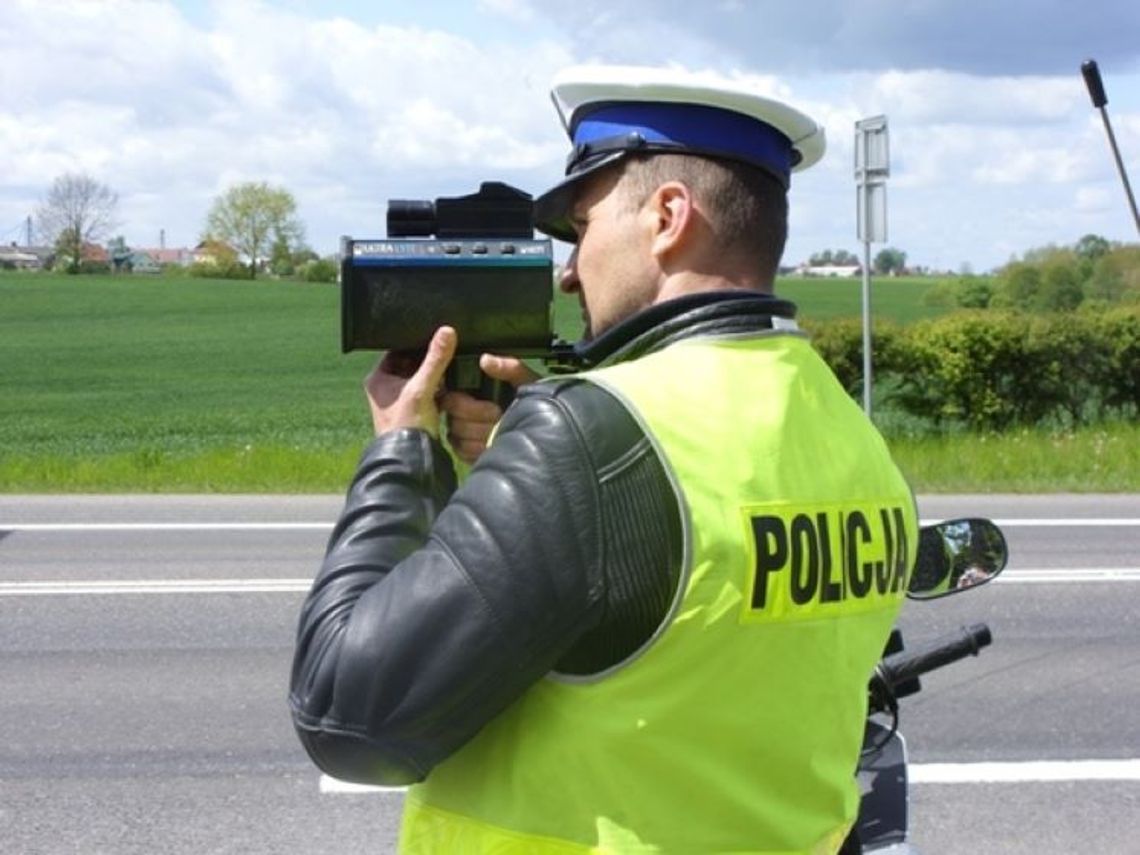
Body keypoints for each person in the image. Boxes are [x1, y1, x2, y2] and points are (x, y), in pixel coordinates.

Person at [289, 65, 919, 854]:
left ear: (667, 216)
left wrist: (399, 453)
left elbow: (347, 715)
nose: (565, 270)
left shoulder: (590, 436)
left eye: (580, 228)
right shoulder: (852, 436)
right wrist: (520, 470)